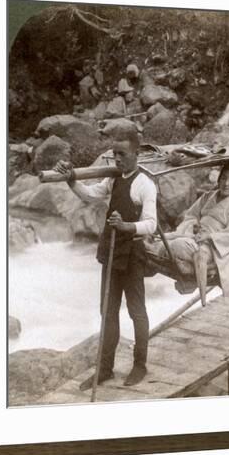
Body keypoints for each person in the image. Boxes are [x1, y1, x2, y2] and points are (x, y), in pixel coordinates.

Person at [54, 130, 157, 389]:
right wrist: (71, 180)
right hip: (111, 250)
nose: (117, 159)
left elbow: (151, 225)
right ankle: (106, 369)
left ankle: (140, 365)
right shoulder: (113, 180)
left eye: (122, 154)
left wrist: (126, 226)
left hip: (132, 254)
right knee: (108, 311)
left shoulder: (145, 184)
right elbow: (89, 195)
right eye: (114, 155)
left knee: (136, 312)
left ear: (136, 153)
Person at [149, 162, 229, 304]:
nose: (226, 183)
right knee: (161, 241)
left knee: (177, 245)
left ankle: (193, 279)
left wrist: (210, 236)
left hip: (214, 248)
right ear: (219, 179)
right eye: (224, 178)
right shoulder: (208, 196)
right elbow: (191, 215)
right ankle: (168, 255)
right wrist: (194, 225)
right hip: (195, 236)